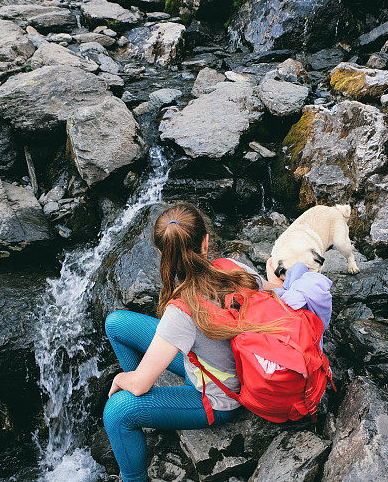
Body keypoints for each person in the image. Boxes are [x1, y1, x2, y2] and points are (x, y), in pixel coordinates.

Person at [103, 202, 283, 482]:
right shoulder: (232, 268)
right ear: (206, 242)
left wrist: (123, 379)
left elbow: (138, 384)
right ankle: (149, 416)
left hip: (219, 397)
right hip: (210, 366)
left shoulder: (181, 310)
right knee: (116, 324)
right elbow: (272, 290)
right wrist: (275, 279)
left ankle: (133, 475)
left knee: (117, 411)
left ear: (163, 254)